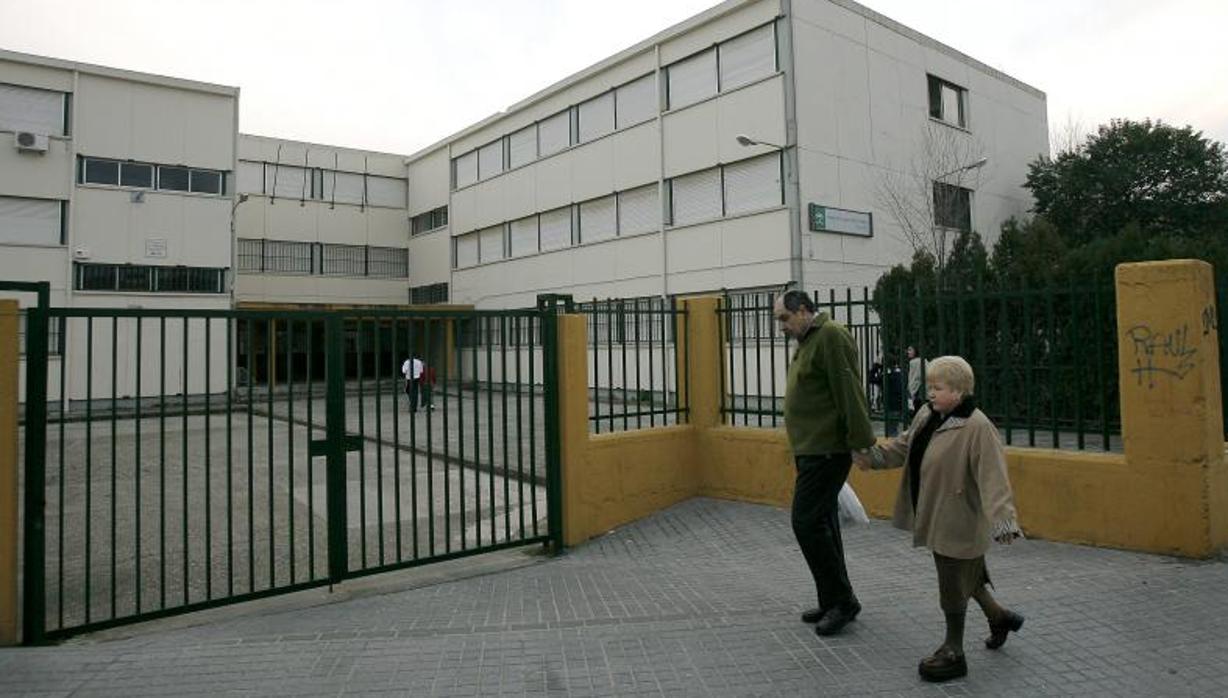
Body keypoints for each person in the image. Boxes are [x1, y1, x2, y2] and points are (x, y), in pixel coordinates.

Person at [855, 355, 1024, 682]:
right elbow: (903, 447)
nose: (930, 392)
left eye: (938, 387)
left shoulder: (978, 427)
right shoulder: (928, 415)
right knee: (968, 577)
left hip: (959, 519)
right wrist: (872, 456)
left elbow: (994, 479)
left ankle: (953, 651)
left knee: (952, 581)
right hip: (935, 513)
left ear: (959, 392)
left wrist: (1004, 521)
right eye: (929, 386)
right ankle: (1000, 617)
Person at [774, 290, 876, 637]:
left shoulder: (831, 335)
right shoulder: (808, 340)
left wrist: (862, 441)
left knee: (805, 522)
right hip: (811, 449)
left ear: (803, 310)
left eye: (784, 319)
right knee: (824, 524)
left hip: (827, 450)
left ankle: (842, 601)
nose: (782, 327)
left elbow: (849, 390)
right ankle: (832, 598)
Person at [907, 345, 926, 415]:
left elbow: (916, 378)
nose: (908, 352)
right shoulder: (923, 360)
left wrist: (911, 392)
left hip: (918, 394)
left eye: (910, 350)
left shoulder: (914, 362)